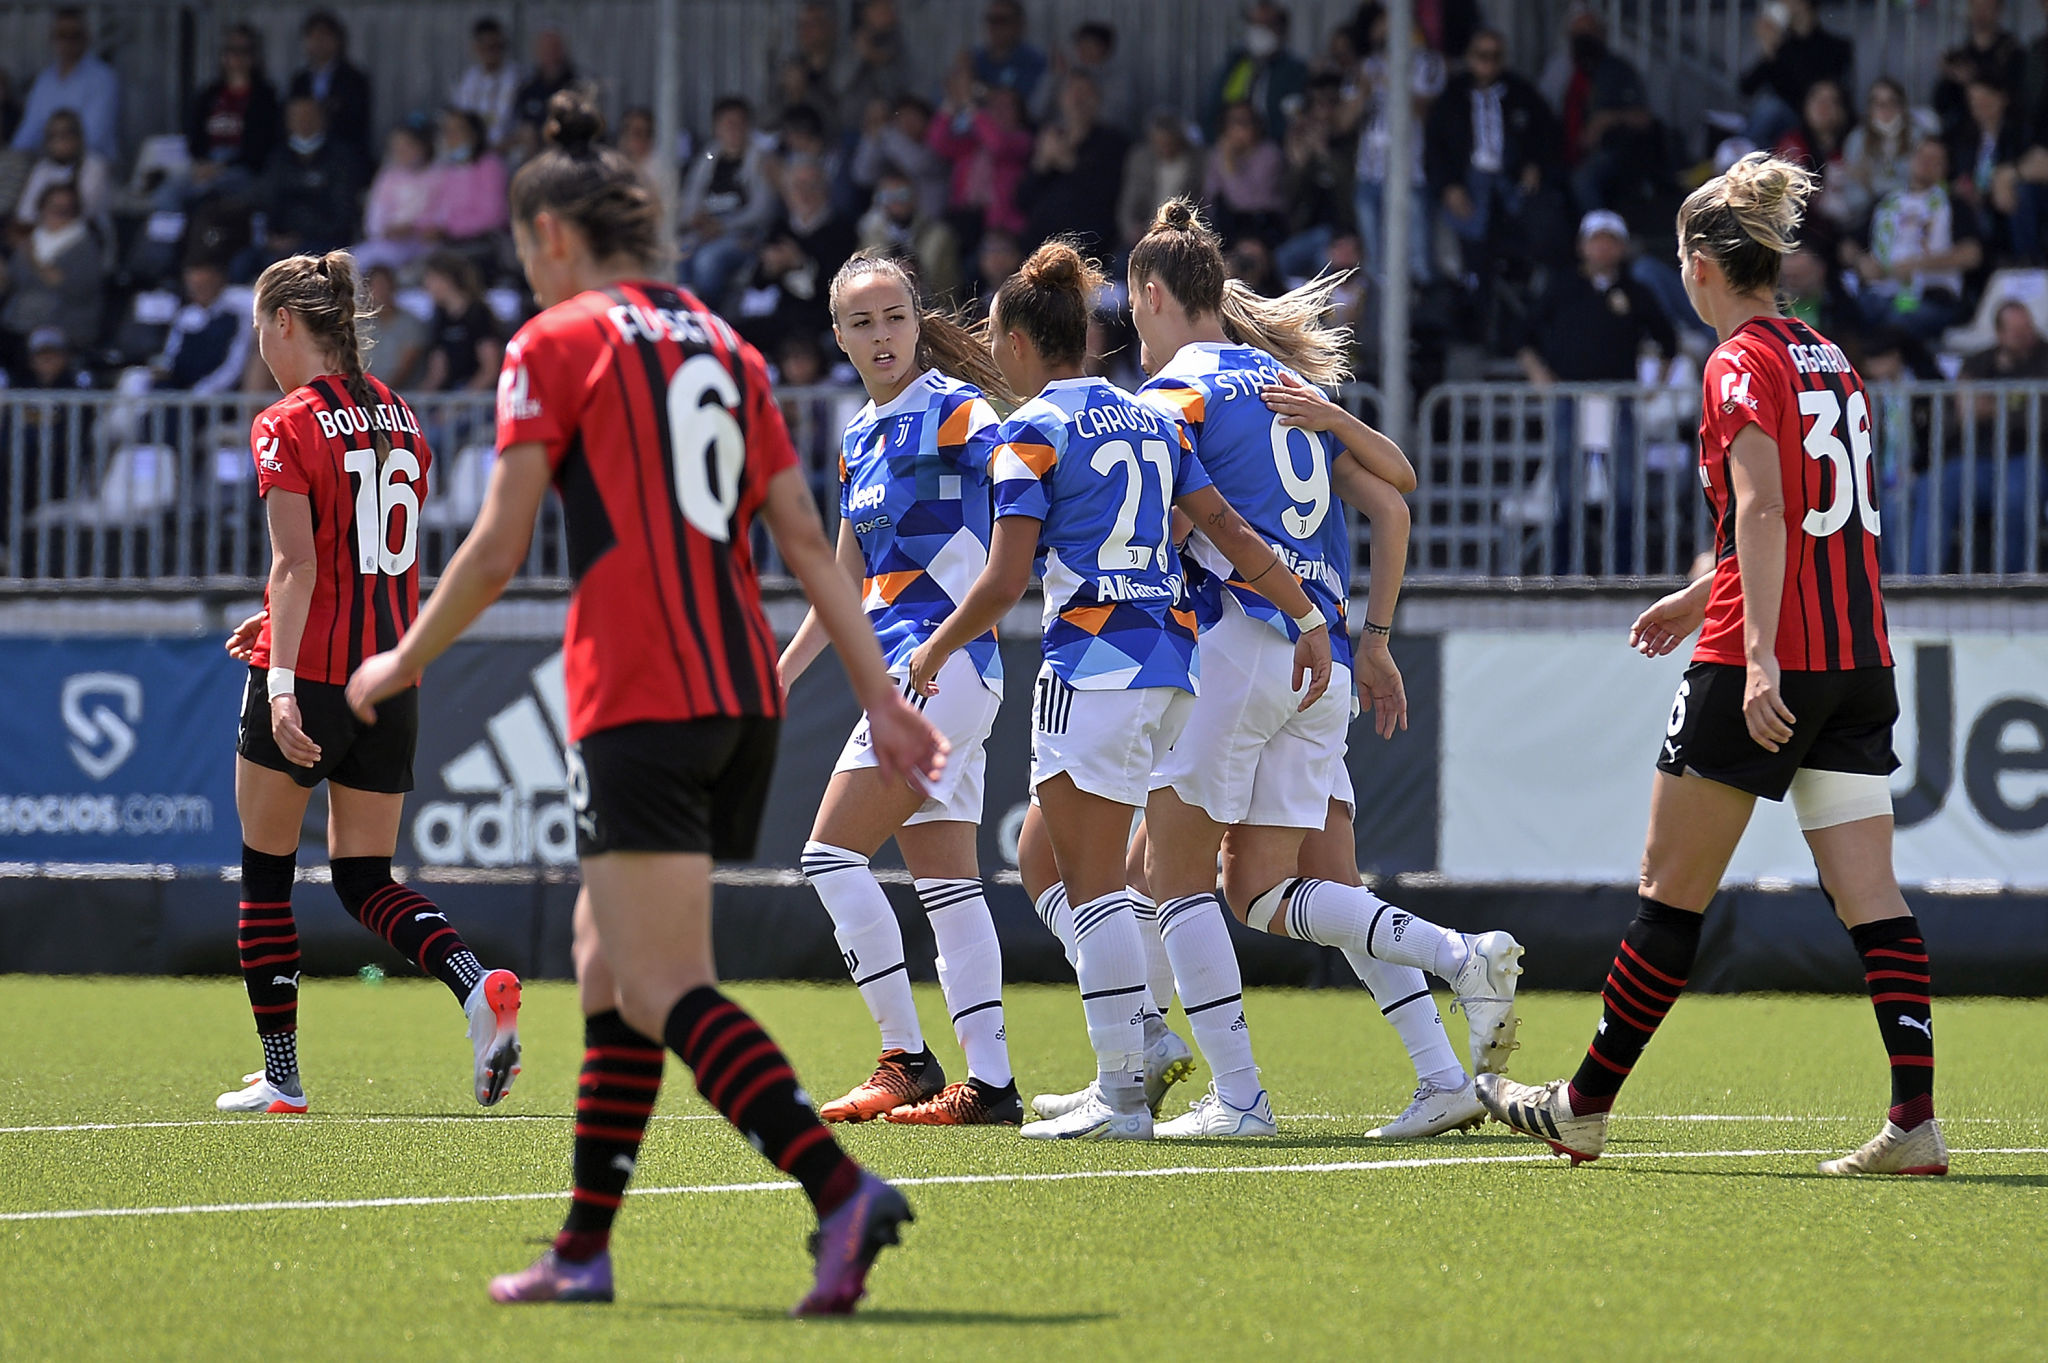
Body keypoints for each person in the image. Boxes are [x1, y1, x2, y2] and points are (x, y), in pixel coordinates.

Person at [348, 90, 941, 1315]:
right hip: (739, 692)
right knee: (606, 962)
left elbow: (502, 543)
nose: (524, 272)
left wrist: (400, 659)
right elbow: (806, 544)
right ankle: (584, 1245)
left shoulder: (554, 343)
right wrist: (877, 698)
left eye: (523, 251)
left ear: (553, 238)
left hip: (641, 687)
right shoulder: (727, 346)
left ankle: (836, 1188)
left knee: (664, 980)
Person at [1478, 153, 1943, 1180]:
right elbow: (1803, 516)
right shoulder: (1830, 355)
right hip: (1859, 657)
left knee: (1667, 890)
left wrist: (1759, 656)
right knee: (1872, 897)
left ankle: (1581, 1107)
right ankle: (1913, 1116)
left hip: (1760, 655)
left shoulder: (1734, 364)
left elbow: (1769, 508)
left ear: (1697, 264)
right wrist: (1697, 592)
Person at [907, 235, 1333, 1140]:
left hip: (1089, 666)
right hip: (1174, 666)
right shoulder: (1150, 417)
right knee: (1063, 862)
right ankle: (1134, 1059)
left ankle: (1121, 1092)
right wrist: (1307, 617)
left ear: (1020, 345)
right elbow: (1228, 531)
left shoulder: (1028, 433)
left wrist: (934, 647)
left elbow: (1003, 578)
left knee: (1093, 886)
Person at [1120, 198, 1519, 1136]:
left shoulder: (1179, 390)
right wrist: (1375, 633)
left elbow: (1150, 494)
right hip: (1323, 657)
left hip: (1241, 642)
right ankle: (1441, 1070)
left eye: (1131, 308)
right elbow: (1396, 502)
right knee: (1290, 888)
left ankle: (1232, 1093)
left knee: (1172, 874)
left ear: (1150, 294)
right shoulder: (1283, 389)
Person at [215, 249, 522, 1116]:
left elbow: (296, 565)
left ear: (283, 324)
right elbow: (361, 560)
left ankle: (282, 1075)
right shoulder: (400, 415)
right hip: (388, 678)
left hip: (309, 674)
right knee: (365, 876)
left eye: (257, 329)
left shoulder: (284, 421)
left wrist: (277, 677)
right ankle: (474, 986)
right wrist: (276, 619)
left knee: (266, 872)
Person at [778, 251, 1021, 1126]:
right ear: (838, 336)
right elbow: (841, 593)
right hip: (914, 676)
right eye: (862, 322)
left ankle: (906, 1060)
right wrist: (779, 678)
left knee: (828, 856)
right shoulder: (857, 440)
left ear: (918, 323)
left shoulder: (957, 412)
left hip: (941, 666)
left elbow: (1031, 494)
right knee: (949, 886)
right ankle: (989, 1085)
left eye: (892, 317)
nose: (880, 336)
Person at [1516, 210, 1678, 574]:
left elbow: (1668, 340)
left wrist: (1654, 388)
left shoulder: (1637, 292)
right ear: (1582, 246)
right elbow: (1523, 335)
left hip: (1618, 399)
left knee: (1624, 486)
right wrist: (1539, 375)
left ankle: (1623, 570)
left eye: (1610, 240)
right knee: (1565, 485)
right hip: (1570, 399)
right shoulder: (1562, 287)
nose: (1602, 248)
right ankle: (1561, 570)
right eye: (1596, 240)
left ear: (1621, 247)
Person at [1917, 299, 2048, 574]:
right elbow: (1964, 413)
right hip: (1976, 459)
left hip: (2028, 458)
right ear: (2000, 334)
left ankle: (2013, 584)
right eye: (2016, 331)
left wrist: (1990, 406)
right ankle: (1919, 581)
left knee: (2015, 496)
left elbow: (2040, 417)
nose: (2025, 336)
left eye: (2027, 328)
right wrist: (2011, 406)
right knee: (1933, 487)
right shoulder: (1979, 361)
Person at [1425, 29, 1556, 285]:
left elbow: (1545, 133)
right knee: (1471, 251)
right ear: (1469, 57)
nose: (1488, 62)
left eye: (1495, 56)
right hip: (1469, 182)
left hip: (1511, 180)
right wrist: (1449, 187)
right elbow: (1434, 148)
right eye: (1482, 55)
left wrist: (1534, 165)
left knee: (1533, 231)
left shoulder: (1521, 92)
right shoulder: (1452, 96)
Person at [1841, 138, 1981, 345]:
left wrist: (1918, 265)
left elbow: (1972, 254)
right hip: (1880, 292)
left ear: (1945, 168)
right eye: (1921, 155)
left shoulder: (1953, 204)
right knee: (1843, 314)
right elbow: (1847, 246)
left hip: (1931, 296)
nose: (1925, 162)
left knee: (1896, 322)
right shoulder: (1886, 202)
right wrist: (1862, 263)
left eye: (1934, 159)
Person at [678, 96, 779, 307]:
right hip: (706, 232)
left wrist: (722, 226)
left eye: (738, 123)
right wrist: (694, 219)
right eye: (727, 123)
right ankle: (685, 309)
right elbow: (692, 196)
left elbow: (762, 210)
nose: (733, 129)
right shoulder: (708, 156)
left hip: (744, 235)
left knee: (708, 261)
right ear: (717, 128)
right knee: (679, 252)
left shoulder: (759, 157)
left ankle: (710, 314)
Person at [1021, 72, 1128, 254]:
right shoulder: (1049, 138)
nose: (1078, 100)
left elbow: (1105, 194)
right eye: (1072, 92)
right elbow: (1022, 199)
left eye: (1085, 93)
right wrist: (1042, 163)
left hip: (1089, 244)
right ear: (1061, 99)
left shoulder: (1112, 142)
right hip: (1041, 245)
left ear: (1097, 99)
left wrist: (1067, 162)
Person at [181, 24, 282, 206]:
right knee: (167, 194)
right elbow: (194, 137)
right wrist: (203, 164)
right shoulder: (208, 95)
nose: (236, 56)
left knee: (207, 192)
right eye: (231, 50)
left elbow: (260, 149)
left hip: (243, 169)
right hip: (208, 163)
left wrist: (222, 167)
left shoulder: (265, 97)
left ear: (254, 56)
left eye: (243, 51)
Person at [260, 95, 368, 260]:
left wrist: (301, 237)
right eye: (296, 117)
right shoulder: (278, 158)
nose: (303, 122)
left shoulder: (341, 157)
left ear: (322, 119)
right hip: (282, 240)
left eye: (308, 116)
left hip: (325, 241)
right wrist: (272, 235)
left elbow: (343, 212)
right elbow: (270, 201)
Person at [1737, 0, 1854, 149]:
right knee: (1768, 107)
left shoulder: (1835, 47)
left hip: (1816, 117)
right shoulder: (1781, 45)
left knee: (1771, 107)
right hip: (1782, 123)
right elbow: (1746, 89)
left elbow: (1814, 87)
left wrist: (1779, 50)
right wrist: (1768, 51)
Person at [0, 182, 102, 352]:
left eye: (65, 209)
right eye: (53, 207)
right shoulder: (31, 240)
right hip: (16, 323)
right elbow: (13, 281)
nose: (58, 213)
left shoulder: (85, 246)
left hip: (60, 328)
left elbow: (75, 288)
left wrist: (34, 260)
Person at [10, 7, 120, 162]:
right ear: (52, 39)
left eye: (74, 36)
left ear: (86, 38)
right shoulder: (45, 80)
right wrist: (14, 157)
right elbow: (29, 130)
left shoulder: (103, 78)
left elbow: (94, 137)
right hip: (46, 162)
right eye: (62, 35)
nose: (68, 42)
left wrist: (55, 151)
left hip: (89, 162)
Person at [1203, 1, 1309, 144]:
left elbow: (1294, 119)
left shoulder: (1296, 72)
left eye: (1267, 25)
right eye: (1255, 24)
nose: (1260, 31)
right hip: (1231, 148)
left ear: (1282, 29)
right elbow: (1211, 111)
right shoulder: (1235, 65)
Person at [13, 108, 112, 243]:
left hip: (86, 239)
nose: (59, 141)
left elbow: (84, 213)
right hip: (43, 236)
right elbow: (25, 213)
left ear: (78, 137)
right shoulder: (43, 168)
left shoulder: (94, 166)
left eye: (65, 134)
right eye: (52, 135)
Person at [153, 255, 248, 393]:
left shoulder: (235, 314)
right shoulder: (185, 316)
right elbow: (171, 357)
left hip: (213, 396)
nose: (197, 290)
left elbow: (234, 364)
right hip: (179, 389)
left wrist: (202, 391)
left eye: (203, 285)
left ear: (218, 280)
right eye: (193, 286)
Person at [355, 125, 442, 274]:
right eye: (396, 147)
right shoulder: (388, 177)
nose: (401, 152)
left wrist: (415, 228)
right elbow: (374, 218)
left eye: (407, 146)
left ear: (423, 146)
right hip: (390, 243)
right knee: (354, 262)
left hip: (425, 243)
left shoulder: (440, 175)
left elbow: (444, 214)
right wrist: (386, 231)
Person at [1935, 0, 2024, 144]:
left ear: (1998, 11)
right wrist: (1948, 76)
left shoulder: (2012, 52)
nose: (1980, 13)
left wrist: (1971, 79)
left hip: (2002, 135)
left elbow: (2017, 99)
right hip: (1964, 135)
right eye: (1975, 7)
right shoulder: (1961, 54)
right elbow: (1941, 105)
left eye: (1986, 7)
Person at [287, 11, 373, 159]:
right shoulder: (299, 79)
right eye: (313, 37)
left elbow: (357, 121)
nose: (318, 42)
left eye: (324, 36)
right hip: (303, 150)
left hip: (343, 149)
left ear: (337, 40)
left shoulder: (354, 78)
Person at [1204, 101, 1287, 249]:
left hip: (1263, 226)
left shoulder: (1269, 154)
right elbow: (1210, 197)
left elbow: (1243, 202)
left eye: (1248, 122)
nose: (1244, 128)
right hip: (1228, 227)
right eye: (1237, 122)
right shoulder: (1219, 153)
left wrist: (1229, 165)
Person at [1118, 112, 1203, 252]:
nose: (1165, 147)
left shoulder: (1196, 164)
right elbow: (1128, 203)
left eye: (1169, 142)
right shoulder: (1140, 162)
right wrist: (1131, 229)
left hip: (1182, 235)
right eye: (1160, 142)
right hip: (1145, 234)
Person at [419, 251, 501, 393]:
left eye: (431, 278)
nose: (427, 286)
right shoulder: (440, 317)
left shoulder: (479, 314)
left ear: (447, 279)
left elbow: (490, 370)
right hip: (447, 399)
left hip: (476, 404)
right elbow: (438, 371)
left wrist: (459, 404)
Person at [450, 17, 523, 151]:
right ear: (476, 47)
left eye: (496, 47)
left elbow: (525, 126)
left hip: (507, 151)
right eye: (486, 47)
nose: (491, 53)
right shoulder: (468, 80)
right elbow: (459, 118)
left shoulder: (518, 78)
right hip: (472, 153)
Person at [968, 0, 1048, 106]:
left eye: (1001, 20)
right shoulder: (975, 59)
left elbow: (1027, 102)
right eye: (990, 20)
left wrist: (980, 91)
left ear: (1019, 25)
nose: (994, 26)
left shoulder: (1034, 61)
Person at [362, 263, 427, 389]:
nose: (380, 291)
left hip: (405, 397)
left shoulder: (411, 322)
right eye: (375, 286)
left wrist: (384, 393)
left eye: (384, 285)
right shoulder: (360, 325)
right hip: (367, 396)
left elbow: (408, 364)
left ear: (393, 287)